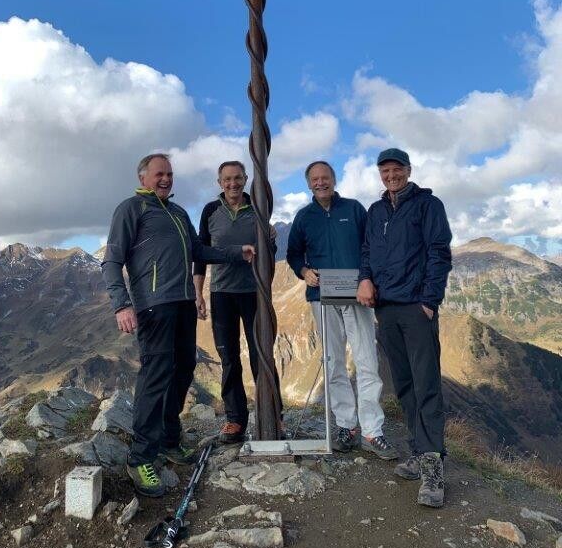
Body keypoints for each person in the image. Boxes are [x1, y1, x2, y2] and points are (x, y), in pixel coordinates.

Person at [102, 153, 255, 497]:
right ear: (143, 177)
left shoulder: (178, 212)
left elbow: (199, 250)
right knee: (156, 376)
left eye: (169, 174)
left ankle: (170, 439)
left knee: (184, 369)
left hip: (184, 303)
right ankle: (140, 457)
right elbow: (111, 260)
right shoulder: (131, 209)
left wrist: (237, 252)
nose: (166, 179)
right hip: (154, 306)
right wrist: (121, 304)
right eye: (159, 174)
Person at [356, 148, 452, 508]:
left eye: (397, 169)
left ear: (408, 171)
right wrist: (365, 279)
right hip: (386, 310)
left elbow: (440, 252)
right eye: (386, 171)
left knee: (426, 385)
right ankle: (418, 452)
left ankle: (433, 468)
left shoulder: (429, 206)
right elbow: (367, 252)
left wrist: (429, 302)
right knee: (406, 385)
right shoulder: (376, 211)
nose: (391, 175)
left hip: (416, 308)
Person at [286, 160, 397, 458]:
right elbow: (293, 253)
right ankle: (347, 426)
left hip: (356, 295)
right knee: (334, 362)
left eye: (325, 177)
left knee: (366, 361)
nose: (320, 182)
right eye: (315, 179)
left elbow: (370, 245)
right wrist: (303, 271)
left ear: (334, 180)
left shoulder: (353, 209)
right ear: (309, 184)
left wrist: (368, 279)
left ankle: (373, 432)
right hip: (321, 298)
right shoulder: (303, 217)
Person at [193, 160, 279, 444]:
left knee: (261, 354)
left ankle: (273, 415)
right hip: (222, 294)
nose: (233, 184)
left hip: (254, 293)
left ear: (245, 180)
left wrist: (272, 238)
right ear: (220, 183)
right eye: (227, 179)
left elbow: (269, 253)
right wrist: (198, 292)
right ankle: (235, 420)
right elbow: (201, 253)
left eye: (238, 178)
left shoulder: (258, 208)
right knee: (229, 358)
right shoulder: (210, 211)